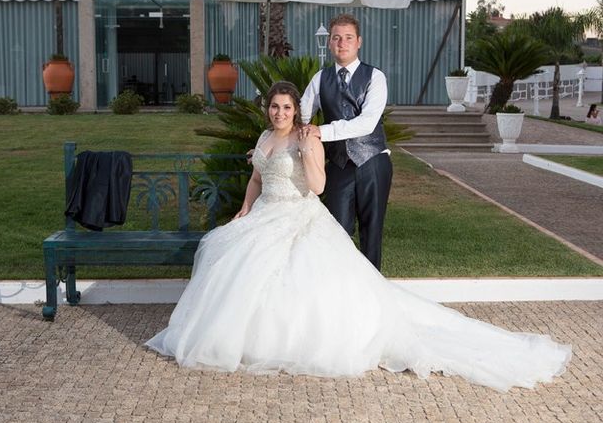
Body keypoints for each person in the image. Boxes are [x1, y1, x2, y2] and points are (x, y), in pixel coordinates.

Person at [145, 81, 571, 393]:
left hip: (297, 215)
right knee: (234, 260)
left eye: (286, 108)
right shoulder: (263, 136)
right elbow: (257, 178)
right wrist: (242, 209)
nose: (279, 113)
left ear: (297, 110)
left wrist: (310, 151)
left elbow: (317, 186)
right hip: (263, 215)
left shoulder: (303, 137)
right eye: (274, 107)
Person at [300, 13, 391, 271]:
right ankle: (341, 287)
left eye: (348, 37)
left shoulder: (375, 77)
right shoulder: (320, 78)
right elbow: (302, 115)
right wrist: (280, 141)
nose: (342, 43)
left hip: (373, 161)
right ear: (329, 43)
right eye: (336, 38)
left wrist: (321, 131)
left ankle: (372, 291)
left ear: (359, 41)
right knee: (336, 230)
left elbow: (367, 123)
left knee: (372, 231)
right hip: (338, 165)